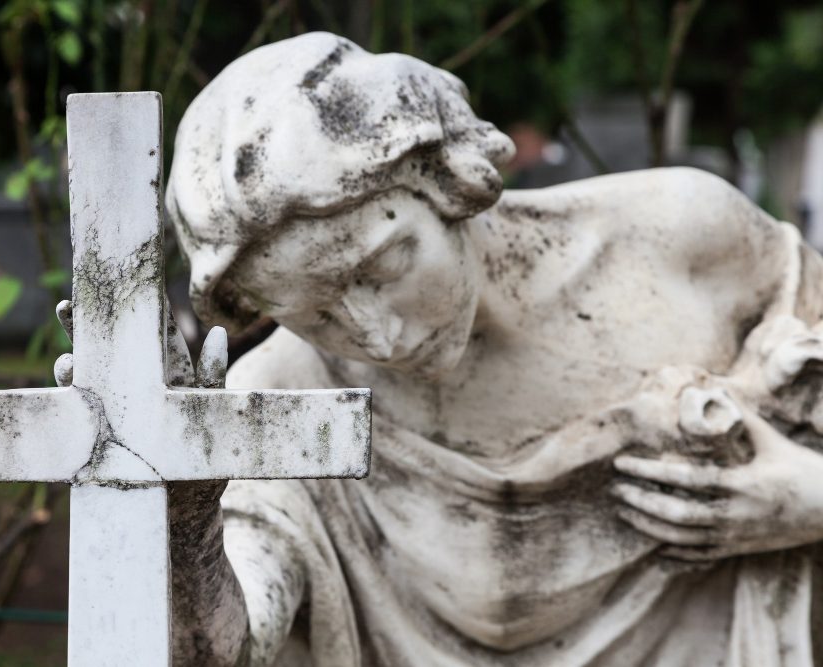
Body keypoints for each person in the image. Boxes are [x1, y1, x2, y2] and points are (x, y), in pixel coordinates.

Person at [159, 32, 823, 666]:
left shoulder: (681, 244)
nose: (376, 336)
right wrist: (186, 519)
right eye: (317, 316)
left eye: (386, 267)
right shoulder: (286, 403)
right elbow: (225, 649)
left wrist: (802, 498)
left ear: (442, 177)